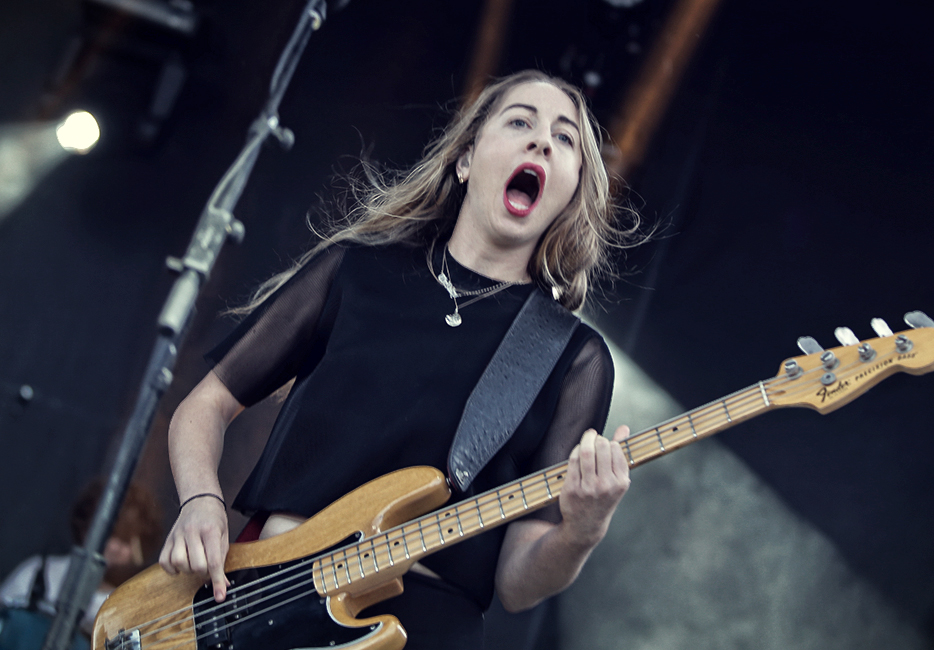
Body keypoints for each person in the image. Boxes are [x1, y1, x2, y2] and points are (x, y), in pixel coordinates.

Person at [158, 70, 637, 649]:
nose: (542, 141)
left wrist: (582, 532)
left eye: (565, 139)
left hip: (419, 631)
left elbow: (517, 584)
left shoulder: (571, 358)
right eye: (520, 122)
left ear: (570, 191)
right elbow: (206, 403)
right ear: (465, 159)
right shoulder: (354, 271)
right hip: (265, 601)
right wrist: (201, 502)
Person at [0, 479, 162, 649]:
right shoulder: (37, 572)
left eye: (126, 541)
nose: (115, 548)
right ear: (87, 527)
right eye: (112, 534)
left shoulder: (132, 607)